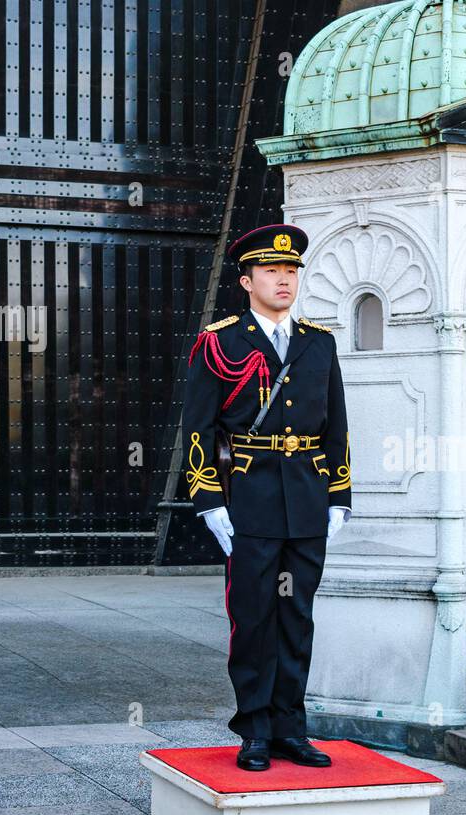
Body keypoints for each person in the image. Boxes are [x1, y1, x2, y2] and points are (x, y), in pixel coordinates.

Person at [180, 223, 351, 770]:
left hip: (305, 496)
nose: (284, 280)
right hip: (248, 496)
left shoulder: (318, 343)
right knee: (253, 618)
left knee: (296, 617)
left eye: (292, 270)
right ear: (247, 279)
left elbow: (337, 426)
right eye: (273, 271)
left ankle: (290, 730)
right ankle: (253, 730)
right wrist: (209, 502)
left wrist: (339, 495)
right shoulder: (220, 340)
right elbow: (200, 427)